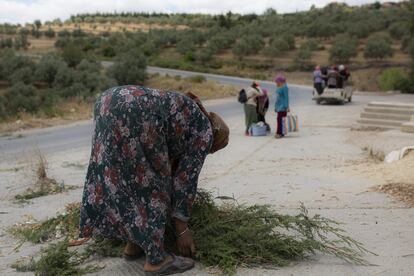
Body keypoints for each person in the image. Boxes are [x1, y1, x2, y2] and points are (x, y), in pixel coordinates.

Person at [79, 86, 229, 275]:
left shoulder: (190, 114)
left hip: (107, 100)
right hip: (138, 109)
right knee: (152, 182)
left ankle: (133, 245)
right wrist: (182, 230)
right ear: (214, 140)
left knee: (121, 175)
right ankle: (157, 260)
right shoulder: (205, 132)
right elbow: (185, 181)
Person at [274, 75, 289, 139]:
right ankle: (281, 132)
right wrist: (275, 107)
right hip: (278, 106)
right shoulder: (278, 87)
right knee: (279, 120)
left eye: (277, 81)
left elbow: (286, 97)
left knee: (280, 120)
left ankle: (279, 133)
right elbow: (277, 98)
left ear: (280, 81)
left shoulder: (285, 87)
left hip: (283, 107)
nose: (276, 83)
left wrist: (287, 106)